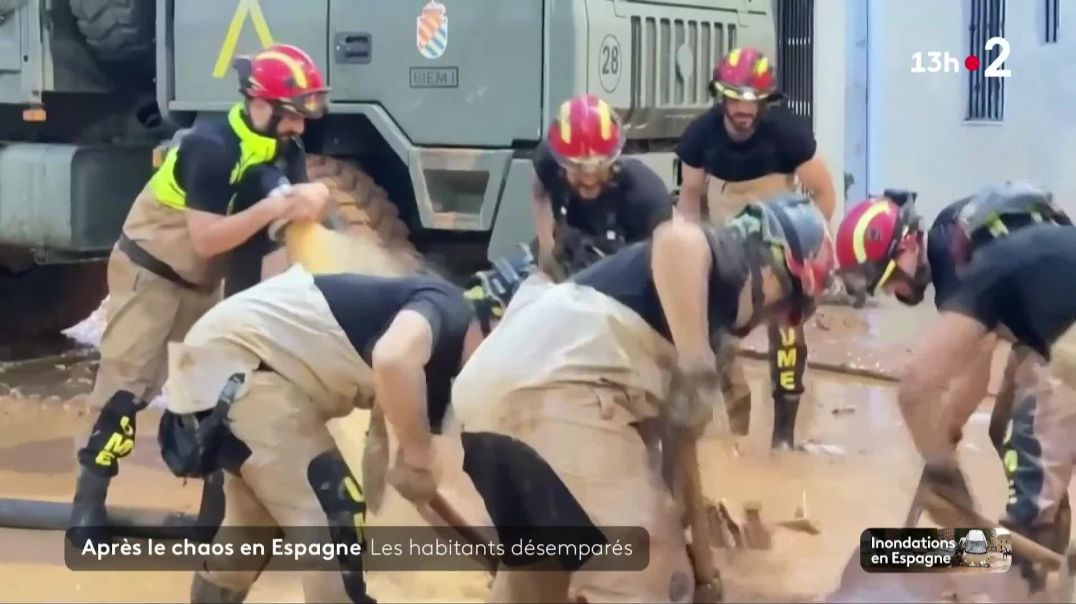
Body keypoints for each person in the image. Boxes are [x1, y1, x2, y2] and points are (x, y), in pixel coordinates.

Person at [451, 194, 835, 603]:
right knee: (647, 567)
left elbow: (676, 450)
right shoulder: (729, 262)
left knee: (538, 575)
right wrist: (695, 357)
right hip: (553, 396)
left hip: (488, 398)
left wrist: (706, 574)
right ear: (780, 271)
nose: (776, 320)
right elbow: (676, 239)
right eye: (790, 309)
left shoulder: (688, 312)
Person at [157, 249, 538, 604]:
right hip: (237, 361)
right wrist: (419, 456)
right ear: (497, 317)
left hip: (236, 367)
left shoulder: (440, 373)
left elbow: (421, 491)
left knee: (252, 528)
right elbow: (390, 359)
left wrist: (498, 561)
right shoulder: (447, 307)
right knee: (331, 518)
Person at [69, 44, 333, 540]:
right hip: (152, 273)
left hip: (204, 284)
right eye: (293, 116)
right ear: (261, 105)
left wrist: (314, 202)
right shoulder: (209, 146)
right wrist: (276, 208)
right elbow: (208, 237)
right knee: (126, 390)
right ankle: (87, 508)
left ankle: (214, 519)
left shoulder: (285, 150)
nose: (299, 128)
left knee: (217, 394)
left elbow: (284, 235)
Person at [834, 182, 1074, 592]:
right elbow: (975, 369)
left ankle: (1030, 565)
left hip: (1064, 338)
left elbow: (915, 387)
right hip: (1052, 323)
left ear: (907, 244)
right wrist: (948, 432)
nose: (893, 292)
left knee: (1027, 456)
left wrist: (942, 467)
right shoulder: (955, 235)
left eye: (890, 279)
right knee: (1006, 430)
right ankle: (1049, 550)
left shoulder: (968, 272)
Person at [674, 47, 837, 450]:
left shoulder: (790, 134)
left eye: (753, 102)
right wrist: (687, 258)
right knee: (715, 330)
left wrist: (812, 247)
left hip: (781, 234)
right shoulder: (699, 136)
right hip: (724, 233)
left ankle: (783, 437)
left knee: (787, 333)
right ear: (721, 96)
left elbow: (823, 191)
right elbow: (690, 199)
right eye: (736, 99)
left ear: (765, 102)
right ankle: (734, 424)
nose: (744, 110)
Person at [531, 93, 674, 279]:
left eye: (599, 166)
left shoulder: (646, 197)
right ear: (562, 162)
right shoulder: (548, 160)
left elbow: (669, 265)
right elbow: (540, 187)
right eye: (578, 167)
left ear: (613, 158)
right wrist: (547, 248)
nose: (589, 177)